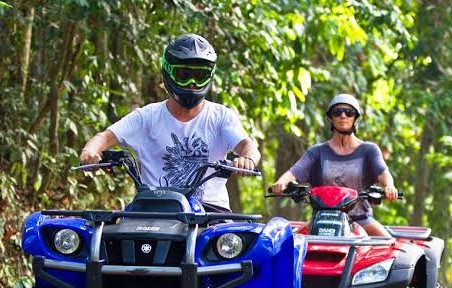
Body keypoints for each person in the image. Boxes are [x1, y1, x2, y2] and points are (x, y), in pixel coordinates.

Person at [80, 33, 260, 213]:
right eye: (184, 75)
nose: (192, 83)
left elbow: (247, 145)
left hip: (211, 213)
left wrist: (247, 159)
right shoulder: (147, 117)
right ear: (168, 72)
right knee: (113, 236)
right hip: (154, 209)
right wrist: (90, 151)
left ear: (210, 76)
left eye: (200, 76)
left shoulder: (221, 116)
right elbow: (105, 137)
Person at [271, 93, 398, 237]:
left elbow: (383, 172)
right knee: (288, 245)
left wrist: (389, 186)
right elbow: (294, 171)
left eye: (349, 112)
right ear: (330, 118)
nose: (343, 116)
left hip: (361, 220)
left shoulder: (369, 149)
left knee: (392, 249)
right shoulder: (317, 152)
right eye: (337, 112)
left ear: (355, 118)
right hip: (322, 219)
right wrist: (280, 183)